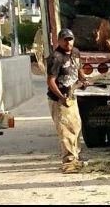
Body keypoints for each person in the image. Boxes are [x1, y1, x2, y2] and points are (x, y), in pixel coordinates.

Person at [46, 28, 89, 173]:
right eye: (65, 40)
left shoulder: (75, 52)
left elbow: (78, 68)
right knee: (65, 130)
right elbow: (50, 81)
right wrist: (61, 97)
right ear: (59, 41)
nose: (68, 42)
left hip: (71, 96)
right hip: (58, 99)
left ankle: (76, 156)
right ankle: (69, 162)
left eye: (70, 39)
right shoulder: (56, 57)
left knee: (76, 127)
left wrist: (83, 79)